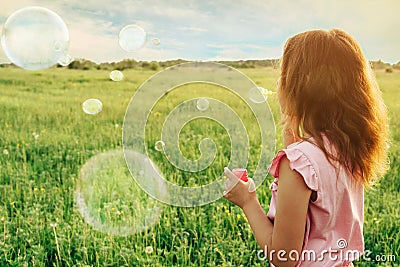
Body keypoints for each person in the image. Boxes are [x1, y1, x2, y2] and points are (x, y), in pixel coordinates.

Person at [223, 29, 389, 267]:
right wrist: (294, 122)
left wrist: (248, 202)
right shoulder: (349, 146)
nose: (279, 84)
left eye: (284, 77)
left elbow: (284, 259)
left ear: (300, 87)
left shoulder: (297, 164)